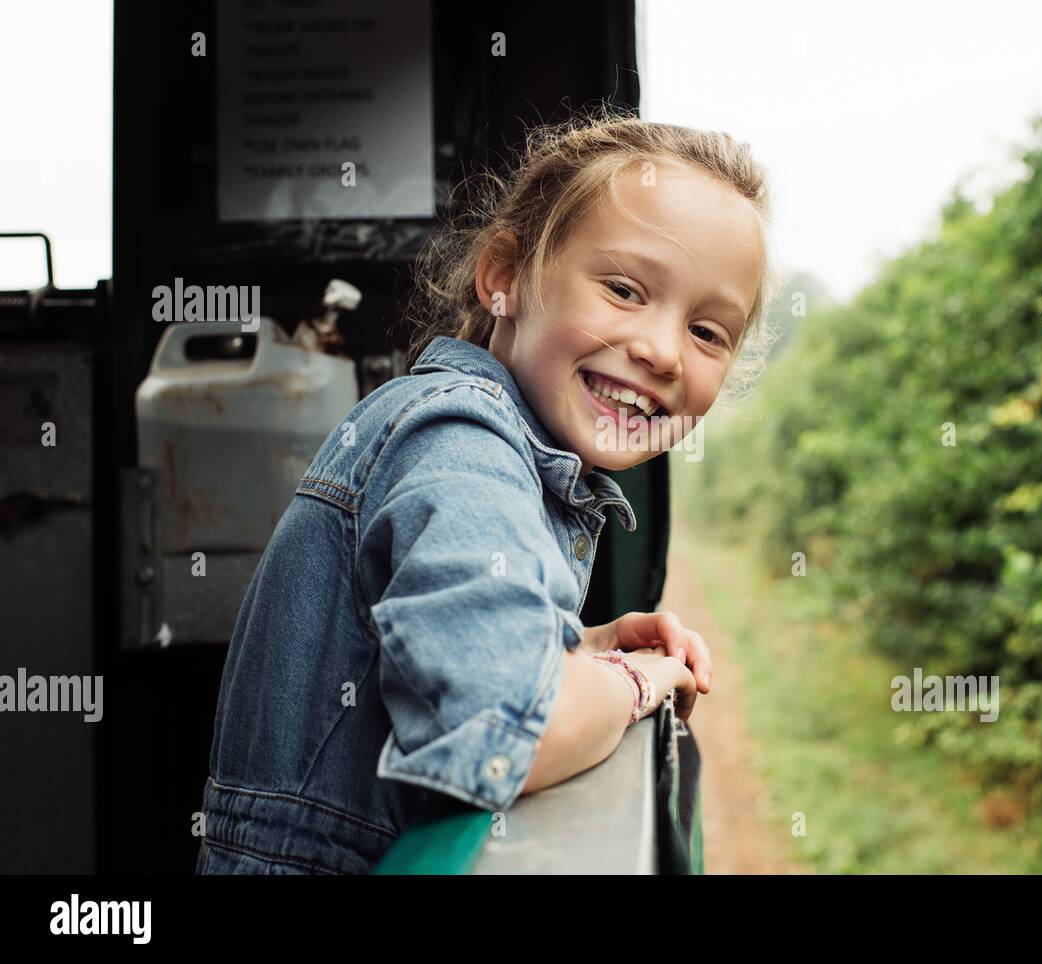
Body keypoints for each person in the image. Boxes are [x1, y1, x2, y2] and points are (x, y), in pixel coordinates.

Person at [196, 107, 779, 874]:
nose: (664, 351)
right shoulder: (462, 446)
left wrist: (582, 651)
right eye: (626, 289)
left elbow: (439, 663)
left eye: (709, 332)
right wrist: (639, 681)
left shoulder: (485, 440)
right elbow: (515, 730)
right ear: (504, 278)